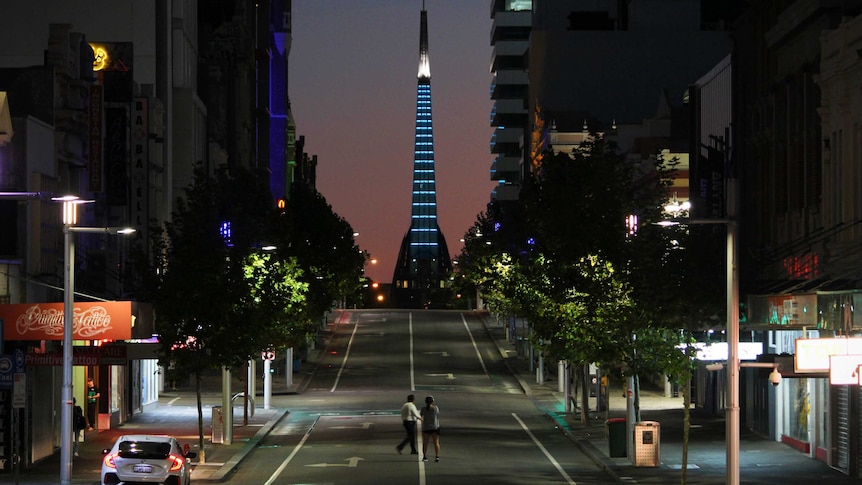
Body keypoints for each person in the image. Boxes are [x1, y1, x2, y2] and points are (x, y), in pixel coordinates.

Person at [419, 395, 440, 462]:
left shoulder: (423, 409)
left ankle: (424, 457)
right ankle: (437, 456)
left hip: (426, 427)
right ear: (432, 401)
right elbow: (437, 415)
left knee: (425, 443)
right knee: (436, 442)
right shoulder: (435, 408)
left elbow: (421, 415)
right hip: (435, 427)